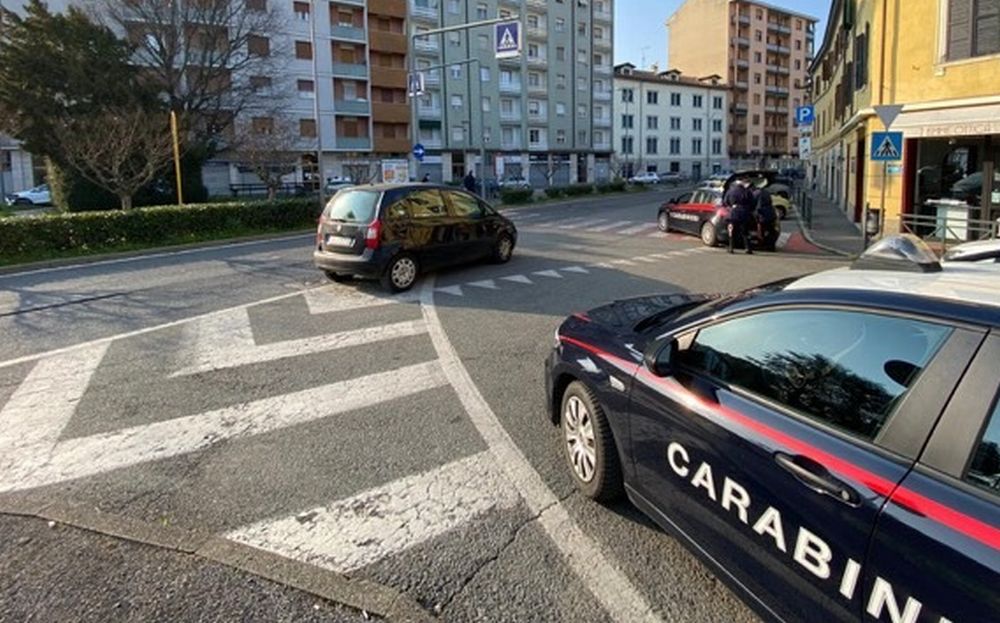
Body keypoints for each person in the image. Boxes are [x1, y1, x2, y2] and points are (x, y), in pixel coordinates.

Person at [724, 179, 754, 254]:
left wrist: (731, 206)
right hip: (745, 213)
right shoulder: (747, 192)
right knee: (745, 232)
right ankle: (748, 248)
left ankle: (731, 248)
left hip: (734, 213)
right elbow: (752, 203)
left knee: (732, 231)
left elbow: (725, 202)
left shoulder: (730, 191)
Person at [754, 183, 777, 252]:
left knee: (762, 231)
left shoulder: (757, 193)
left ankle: (763, 245)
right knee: (771, 230)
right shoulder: (767, 193)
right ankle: (771, 246)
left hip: (763, 215)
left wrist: (757, 215)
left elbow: (758, 206)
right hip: (771, 213)